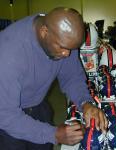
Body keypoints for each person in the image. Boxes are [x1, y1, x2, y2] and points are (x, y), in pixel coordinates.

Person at [0, 7, 107, 150]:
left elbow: (72, 77)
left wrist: (85, 103)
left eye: (71, 49)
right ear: (44, 32)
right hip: (7, 118)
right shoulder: (9, 53)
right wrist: (54, 134)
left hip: (38, 104)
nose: (66, 54)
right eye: (63, 48)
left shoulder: (64, 39)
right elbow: (6, 115)